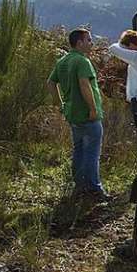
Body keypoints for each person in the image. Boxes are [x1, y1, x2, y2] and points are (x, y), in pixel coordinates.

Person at [48, 28, 108, 200]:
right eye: (89, 40)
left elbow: (50, 83)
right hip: (87, 115)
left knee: (79, 150)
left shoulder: (63, 61)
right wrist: (93, 109)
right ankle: (94, 189)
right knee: (92, 153)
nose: (91, 43)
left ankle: (79, 185)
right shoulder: (82, 61)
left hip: (72, 114)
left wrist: (59, 104)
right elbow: (84, 84)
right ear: (79, 43)